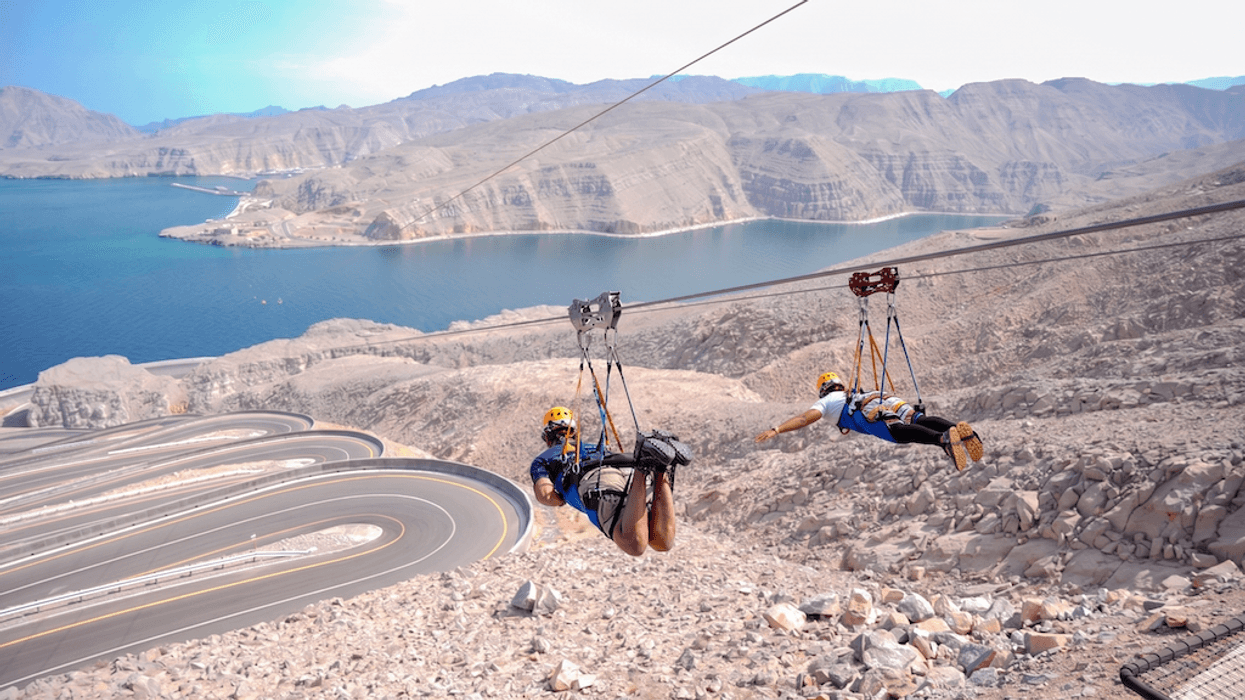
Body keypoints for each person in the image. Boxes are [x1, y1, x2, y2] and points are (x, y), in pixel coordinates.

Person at [530, 406, 691, 556]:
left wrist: (561, 500)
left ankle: (643, 466)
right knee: (661, 541)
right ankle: (660, 468)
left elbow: (546, 495)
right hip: (627, 470)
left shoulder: (544, 459)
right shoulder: (593, 447)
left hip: (598, 481)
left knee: (634, 545)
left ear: (547, 437)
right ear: (573, 432)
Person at [754, 372, 984, 470]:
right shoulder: (849, 392)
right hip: (881, 396)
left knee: (899, 433)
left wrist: (777, 429)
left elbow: (805, 418)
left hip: (867, 410)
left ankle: (943, 439)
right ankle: (956, 430)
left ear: (823, 390)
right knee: (918, 418)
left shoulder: (827, 402)